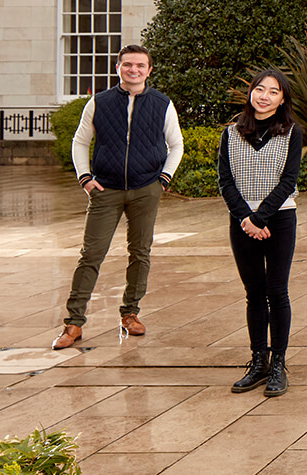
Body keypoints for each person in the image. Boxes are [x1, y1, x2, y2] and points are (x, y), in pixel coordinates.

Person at [54, 44, 183, 350]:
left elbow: (176, 144)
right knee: (91, 255)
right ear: (118, 68)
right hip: (106, 190)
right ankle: (73, 323)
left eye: (140, 65)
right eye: (127, 65)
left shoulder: (163, 103)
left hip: (145, 189)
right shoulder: (99, 102)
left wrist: (163, 180)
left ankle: (131, 313)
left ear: (149, 70)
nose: (133, 70)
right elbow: (80, 142)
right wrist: (85, 178)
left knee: (140, 252)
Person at [219, 69, 303, 397]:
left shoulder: (292, 133)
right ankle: (258, 361)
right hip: (241, 223)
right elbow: (225, 181)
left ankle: (279, 363)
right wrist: (246, 218)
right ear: (251, 92)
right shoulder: (230, 134)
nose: (264, 96)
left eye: (273, 91)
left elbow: (289, 180)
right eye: (259, 89)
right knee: (254, 292)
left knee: (277, 290)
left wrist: (261, 218)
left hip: (279, 219)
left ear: (282, 98)